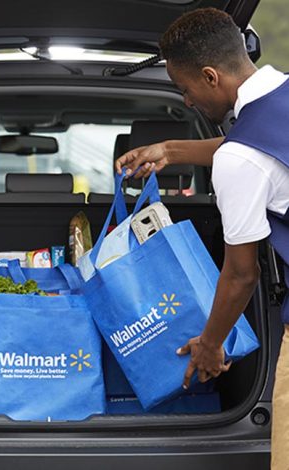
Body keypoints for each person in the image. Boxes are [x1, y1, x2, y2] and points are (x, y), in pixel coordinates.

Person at [116, 8, 289, 468]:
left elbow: (241, 273)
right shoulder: (283, 98)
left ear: (210, 76)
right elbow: (253, 149)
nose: (186, 101)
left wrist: (211, 346)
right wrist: (171, 149)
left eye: (184, 88)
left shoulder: (241, 160)